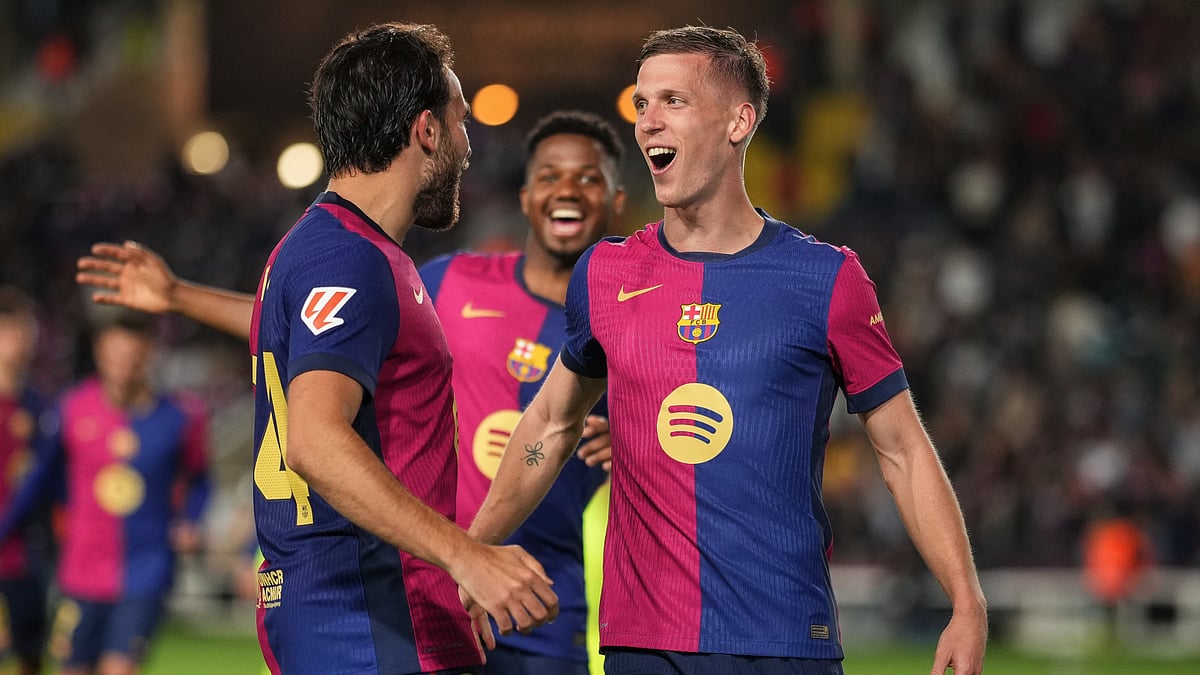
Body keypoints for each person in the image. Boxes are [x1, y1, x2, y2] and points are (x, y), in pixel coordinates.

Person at [467, 25, 989, 675]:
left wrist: (966, 604)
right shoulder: (603, 275)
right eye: (640, 103)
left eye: (673, 102)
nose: (648, 121)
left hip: (783, 639)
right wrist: (473, 551)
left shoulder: (826, 278)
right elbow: (549, 421)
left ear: (739, 121)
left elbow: (903, 449)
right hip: (642, 644)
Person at [76, 108, 628, 674]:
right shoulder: (453, 282)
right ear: (524, 196)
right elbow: (323, 332)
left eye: (589, 178)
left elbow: (686, 431)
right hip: (429, 585)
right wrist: (178, 296)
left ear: (616, 199)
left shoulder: (631, 322)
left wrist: (634, 441)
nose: (568, 190)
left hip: (538, 594)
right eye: (549, 176)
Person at [124, 22, 549, 675]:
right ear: (426, 131)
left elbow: (294, 334)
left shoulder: (324, 247)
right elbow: (316, 440)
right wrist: (467, 556)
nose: (469, 146)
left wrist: (180, 295)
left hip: (355, 613)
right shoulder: (349, 260)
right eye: (461, 120)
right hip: (367, 619)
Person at [0, 311, 210, 675]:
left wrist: (190, 520)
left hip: (145, 570)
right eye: (115, 355)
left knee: (118, 669)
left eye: (132, 356)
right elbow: (37, 484)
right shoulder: (70, 409)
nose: (123, 367)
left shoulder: (178, 418)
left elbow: (201, 480)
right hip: (79, 571)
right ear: (100, 353)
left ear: (148, 354)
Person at [0, 286, 53, 675]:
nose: (23, 341)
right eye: (14, 331)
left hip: (25, 555)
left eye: (26, 331)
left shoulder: (39, 407)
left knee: (30, 653)